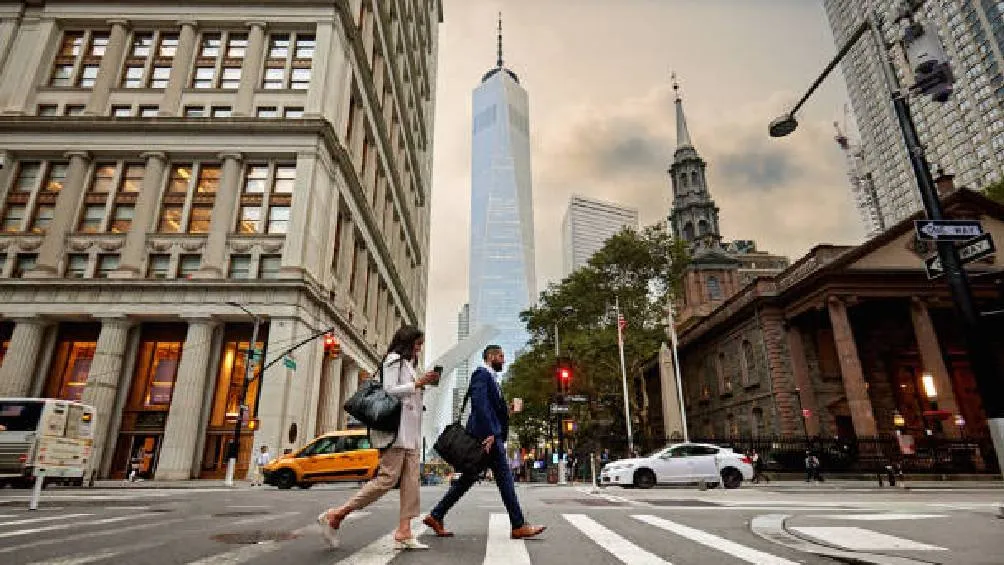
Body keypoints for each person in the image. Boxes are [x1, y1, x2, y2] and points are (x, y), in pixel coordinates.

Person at [317, 326, 440, 550]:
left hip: (411, 433)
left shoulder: (409, 365)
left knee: (411, 482)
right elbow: (390, 390)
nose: (419, 349)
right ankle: (337, 514)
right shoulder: (394, 360)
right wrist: (418, 384)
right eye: (417, 344)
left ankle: (405, 531)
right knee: (387, 479)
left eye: (421, 345)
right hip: (396, 432)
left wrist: (423, 385)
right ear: (407, 342)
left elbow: (409, 394)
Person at [422, 345, 546, 540]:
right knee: (504, 477)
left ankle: (436, 515)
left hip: (490, 435)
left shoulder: (491, 378)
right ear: (491, 357)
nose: (504, 360)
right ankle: (518, 524)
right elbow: (479, 404)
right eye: (501, 356)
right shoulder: (482, 374)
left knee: (468, 478)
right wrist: (489, 433)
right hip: (488, 437)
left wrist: (508, 410)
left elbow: (490, 408)